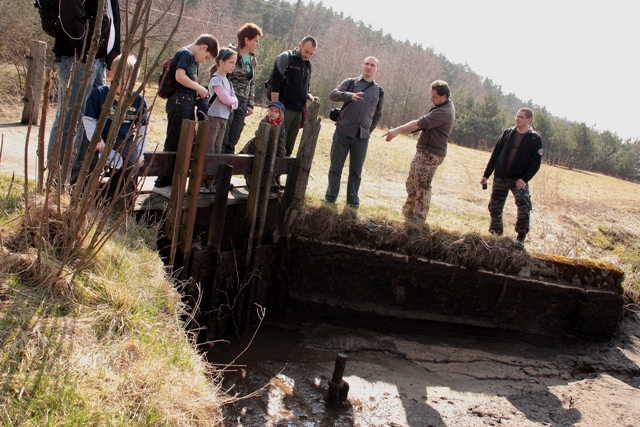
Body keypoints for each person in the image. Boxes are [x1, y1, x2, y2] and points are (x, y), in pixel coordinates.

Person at [47, 0, 121, 167]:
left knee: (89, 119)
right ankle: (56, 179)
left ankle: (74, 176)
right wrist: (86, 46)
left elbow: (113, 24)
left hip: (99, 60)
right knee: (69, 118)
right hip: (79, 58)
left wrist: (110, 58)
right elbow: (69, 12)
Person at [69, 54, 148, 203]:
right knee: (88, 161)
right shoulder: (99, 94)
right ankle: (78, 197)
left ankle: (108, 202)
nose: (127, 86)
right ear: (111, 75)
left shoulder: (139, 101)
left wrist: (140, 154)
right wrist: (96, 139)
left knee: (131, 168)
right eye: (123, 81)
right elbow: (89, 120)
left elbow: (142, 130)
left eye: (132, 82)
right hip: (100, 137)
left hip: (123, 141)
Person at [153, 34, 218, 195]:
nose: (204, 61)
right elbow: (180, 77)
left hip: (186, 103)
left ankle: (175, 181)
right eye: (206, 57)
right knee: (174, 142)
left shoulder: (192, 60)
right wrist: (198, 87)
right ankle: (161, 184)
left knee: (188, 143)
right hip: (179, 102)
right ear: (203, 47)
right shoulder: (186, 54)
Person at [382, 80, 455, 222]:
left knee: (422, 186)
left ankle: (419, 217)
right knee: (412, 182)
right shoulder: (441, 107)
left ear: (444, 97)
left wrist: (397, 130)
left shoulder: (443, 112)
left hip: (430, 154)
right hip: (423, 152)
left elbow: (418, 123)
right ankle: (408, 212)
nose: (431, 99)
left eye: (434, 97)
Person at [324, 57, 384, 209]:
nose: (369, 67)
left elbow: (378, 115)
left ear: (377, 70)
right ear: (361, 66)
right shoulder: (351, 83)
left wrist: (368, 131)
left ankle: (352, 203)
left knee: (356, 172)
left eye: (373, 65)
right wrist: (349, 95)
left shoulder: (380, 91)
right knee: (335, 167)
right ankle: (330, 198)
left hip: (362, 137)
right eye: (367, 64)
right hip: (343, 132)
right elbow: (333, 95)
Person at [480, 108, 543, 249]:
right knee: (495, 207)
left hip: (518, 179)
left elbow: (536, 164)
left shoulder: (535, 139)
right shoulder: (507, 133)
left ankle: (520, 237)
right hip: (501, 176)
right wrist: (486, 174)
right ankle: (496, 235)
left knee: (524, 206)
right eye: (516, 116)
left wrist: (525, 179)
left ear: (529, 120)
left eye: (521, 117)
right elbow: (495, 154)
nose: (517, 119)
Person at [268, 36, 320, 156]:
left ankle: (278, 174)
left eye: (311, 54)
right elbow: (275, 81)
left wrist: (311, 97)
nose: (308, 55)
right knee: (276, 144)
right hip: (284, 108)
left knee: (289, 147)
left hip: (299, 111)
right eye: (306, 51)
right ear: (300, 45)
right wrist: (275, 107)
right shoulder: (286, 57)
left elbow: (305, 87)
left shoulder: (307, 65)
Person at [221, 23, 263, 154]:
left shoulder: (252, 59)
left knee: (233, 139)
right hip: (228, 102)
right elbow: (221, 75)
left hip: (242, 104)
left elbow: (251, 82)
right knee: (223, 137)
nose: (258, 44)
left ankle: (225, 171)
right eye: (255, 40)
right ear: (246, 39)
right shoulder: (231, 54)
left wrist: (250, 104)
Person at [201, 48, 239, 193]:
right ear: (221, 62)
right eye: (231, 62)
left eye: (234, 63)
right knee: (209, 149)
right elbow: (224, 98)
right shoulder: (216, 79)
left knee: (217, 149)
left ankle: (210, 183)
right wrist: (230, 102)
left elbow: (235, 102)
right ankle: (203, 183)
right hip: (213, 117)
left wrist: (231, 102)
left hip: (224, 118)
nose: (233, 65)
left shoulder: (228, 82)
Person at [239, 101, 287, 191]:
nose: (272, 113)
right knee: (251, 164)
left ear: (280, 115)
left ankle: (272, 181)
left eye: (276, 111)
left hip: (271, 149)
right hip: (254, 148)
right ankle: (250, 181)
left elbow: (282, 140)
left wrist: (281, 154)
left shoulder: (281, 125)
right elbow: (259, 137)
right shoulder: (265, 121)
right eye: (271, 110)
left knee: (275, 161)